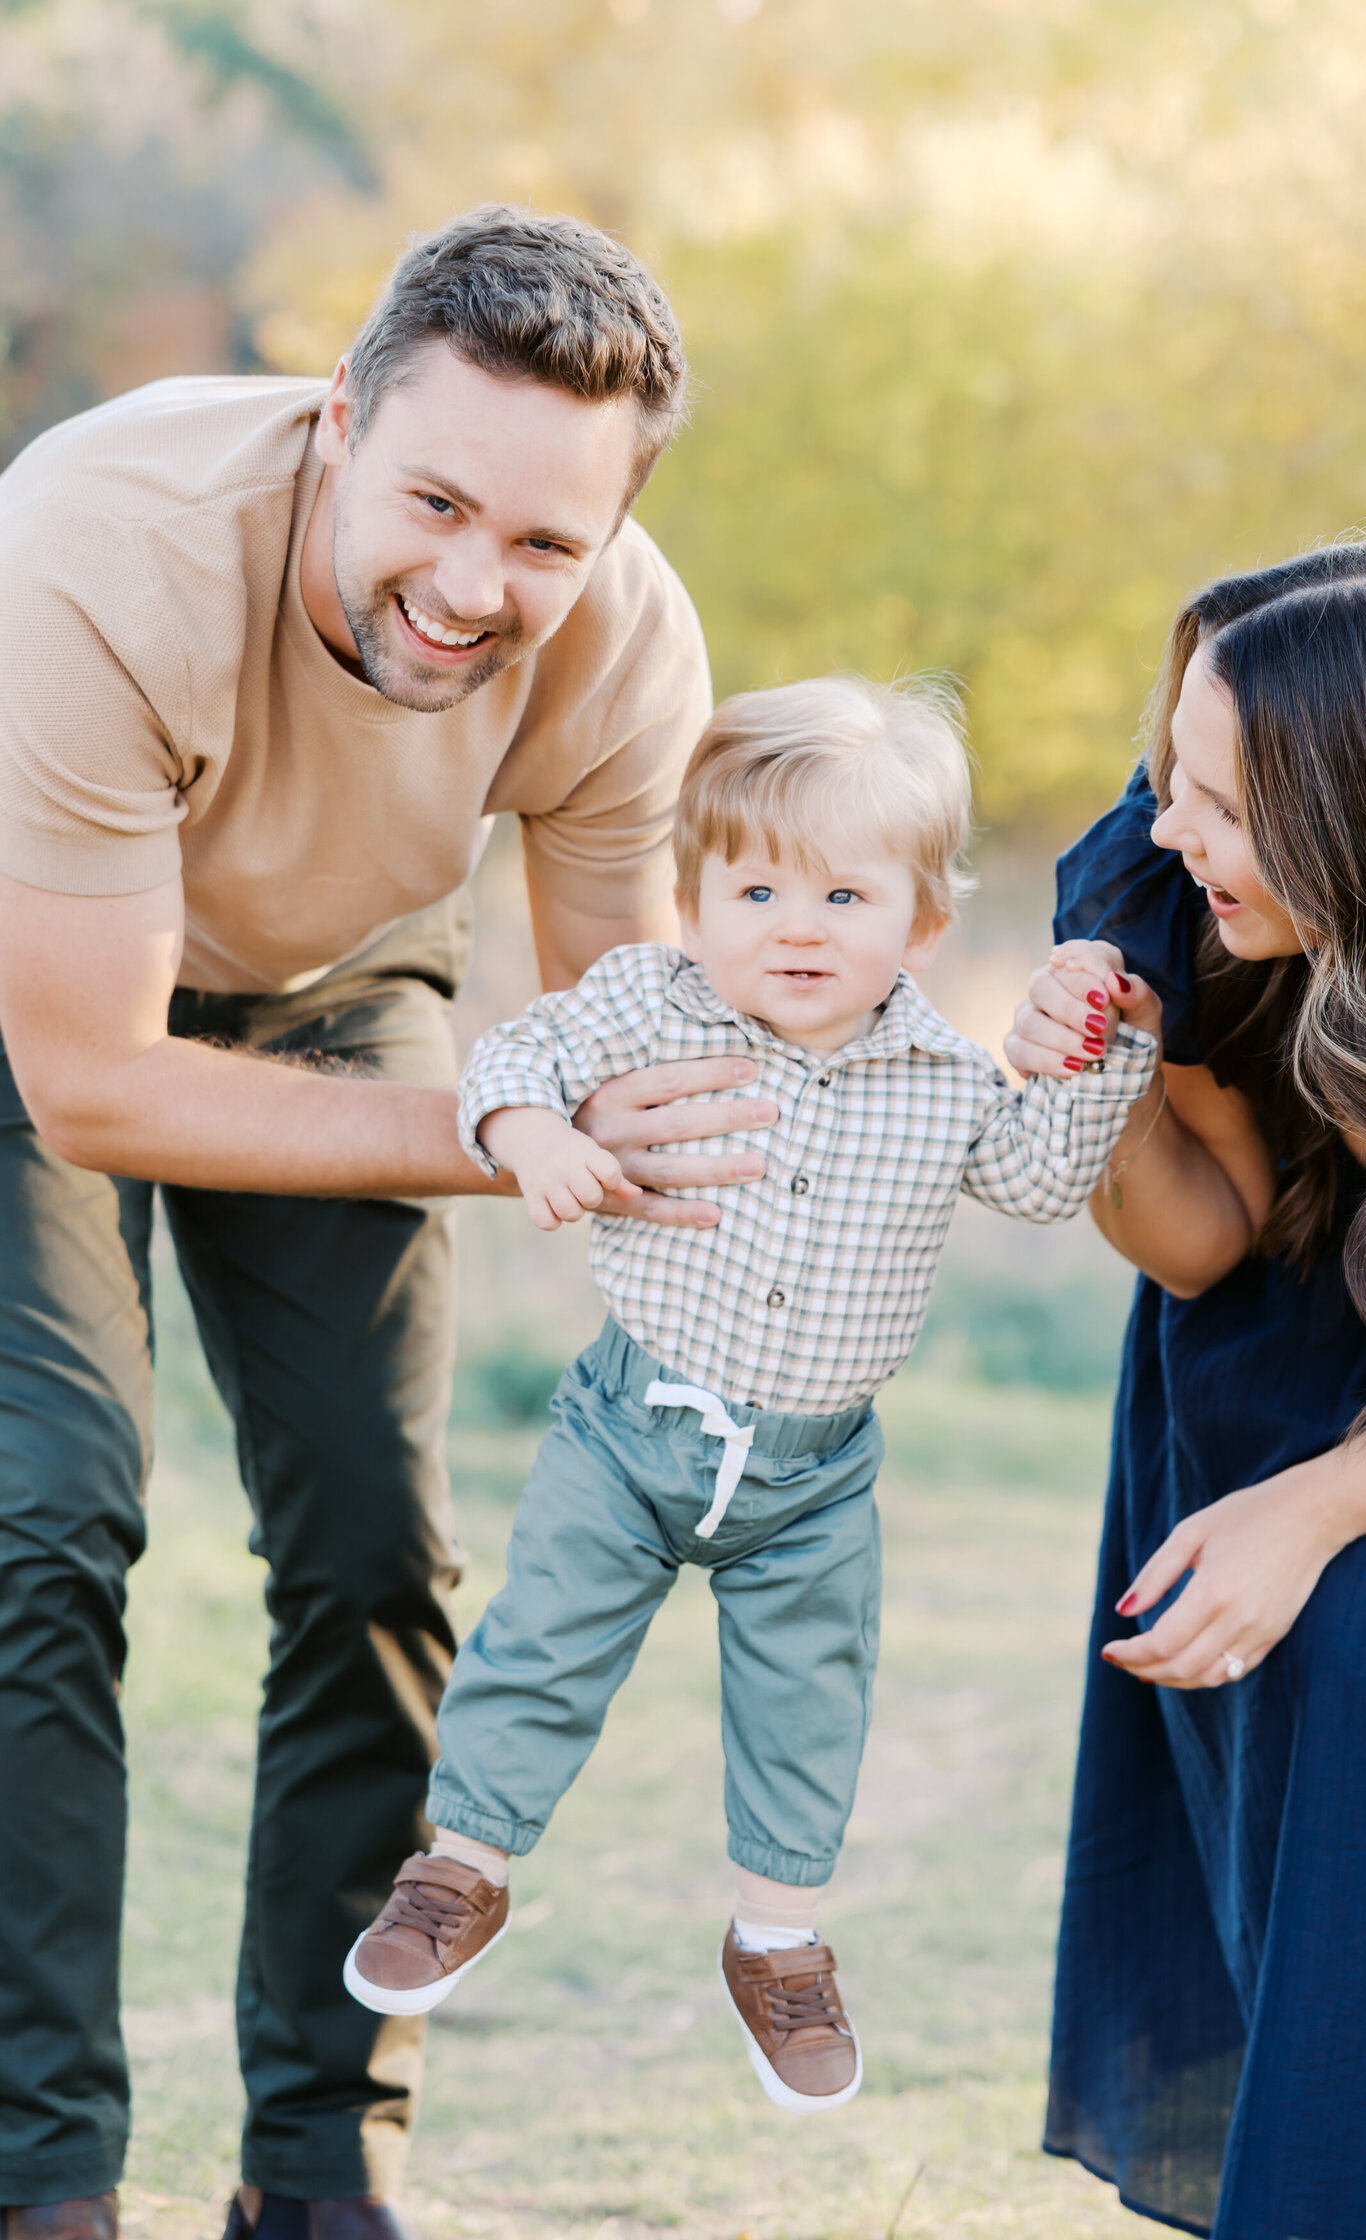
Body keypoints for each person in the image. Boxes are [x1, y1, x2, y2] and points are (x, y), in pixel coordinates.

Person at [0, 206, 785, 2240]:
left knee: (373, 1541)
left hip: (341, 972)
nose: (471, 585)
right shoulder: (102, 540)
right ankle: (42, 2175)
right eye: (433, 500)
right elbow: (91, 1083)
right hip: (38, 990)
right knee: (40, 1518)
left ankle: (319, 2161)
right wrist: (497, 1126)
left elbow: (617, 1033)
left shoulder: (626, 644)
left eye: (542, 542)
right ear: (338, 419)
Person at [337, 674, 1160, 2111]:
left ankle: (777, 1938)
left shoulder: (944, 1077)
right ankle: (461, 1868)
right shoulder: (647, 1007)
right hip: (630, 1428)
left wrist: (1103, 1058)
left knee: (808, 1700)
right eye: (756, 887)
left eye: (845, 898)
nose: (794, 925)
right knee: (542, 1643)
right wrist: (530, 1131)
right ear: (695, 894)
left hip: (814, 1474)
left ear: (921, 921)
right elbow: (521, 1053)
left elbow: (1038, 1182)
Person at [1004, 534, 1366, 2238]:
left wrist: (1317, 1513)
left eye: (1223, 803)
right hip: (1264, 1366)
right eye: (1169, 771)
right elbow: (1202, 1240)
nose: (1169, 828)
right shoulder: (1163, 881)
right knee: (1302, 1916)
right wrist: (1100, 1076)